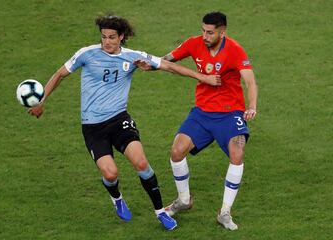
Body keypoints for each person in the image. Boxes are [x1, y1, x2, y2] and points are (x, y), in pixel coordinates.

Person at [28, 15, 220, 231]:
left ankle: (160, 212)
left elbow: (169, 66)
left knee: (141, 163)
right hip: (93, 127)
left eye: (111, 37)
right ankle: (117, 198)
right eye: (103, 37)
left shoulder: (133, 56)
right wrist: (42, 100)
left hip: (119, 120)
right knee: (110, 174)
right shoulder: (86, 54)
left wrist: (202, 78)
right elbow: (59, 74)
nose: (106, 42)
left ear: (121, 37)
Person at [139, 12, 258, 230]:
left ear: (222, 32)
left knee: (237, 153)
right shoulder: (194, 43)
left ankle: (224, 212)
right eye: (203, 30)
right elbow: (169, 59)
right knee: (176, 151)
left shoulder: (234, 50)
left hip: (230, 113)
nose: (205, 35)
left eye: (210, 32)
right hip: (202, 112)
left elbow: (250, 81)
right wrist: (152, 65)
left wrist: (251, 106)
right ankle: (184, 200)